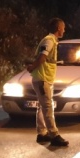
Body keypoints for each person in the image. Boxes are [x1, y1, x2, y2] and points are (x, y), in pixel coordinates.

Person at [26, 18, 69, 147]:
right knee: (48, 107)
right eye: (63, 28)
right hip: (42, 79)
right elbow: (42, 57)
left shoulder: (52, 41)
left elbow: (47, 58)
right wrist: (33, 66)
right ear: (58, 29)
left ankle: (42, 133)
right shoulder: (49, 41)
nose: (64, 30)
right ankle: (54, 134)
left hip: (44, 78)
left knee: (42, 107)